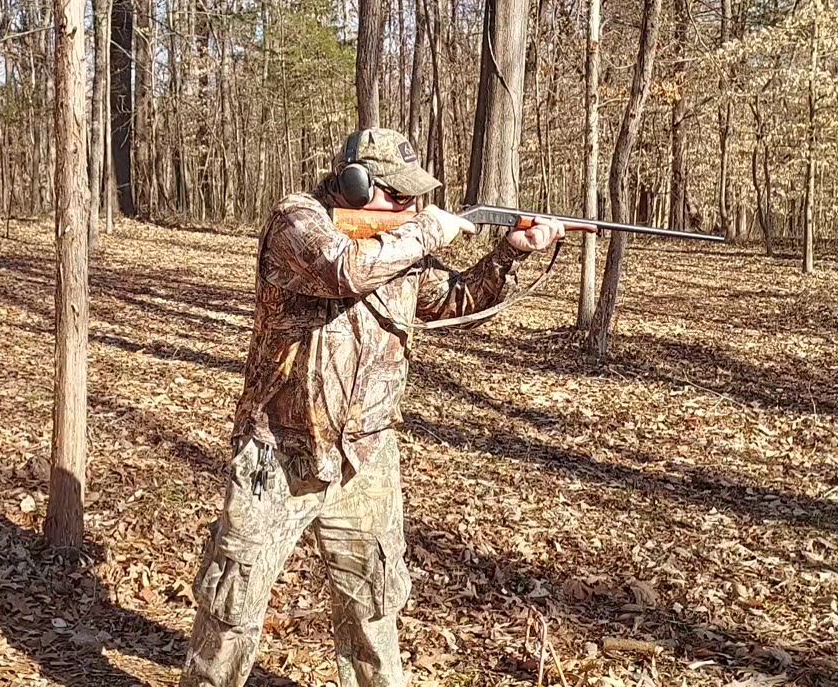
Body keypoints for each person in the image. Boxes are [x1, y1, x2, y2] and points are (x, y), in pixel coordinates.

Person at [179, 127, 567, 687]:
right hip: (279, 453)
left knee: (374, 607)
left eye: (417, 199)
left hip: (367, 457)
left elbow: (453, 298)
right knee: (231, 608)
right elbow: (343, 268)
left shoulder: (398, 248)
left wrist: (510, 253)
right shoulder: (298, 222)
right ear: (355, 187)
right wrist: (428, 232)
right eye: (401, 197)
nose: (414, 208)